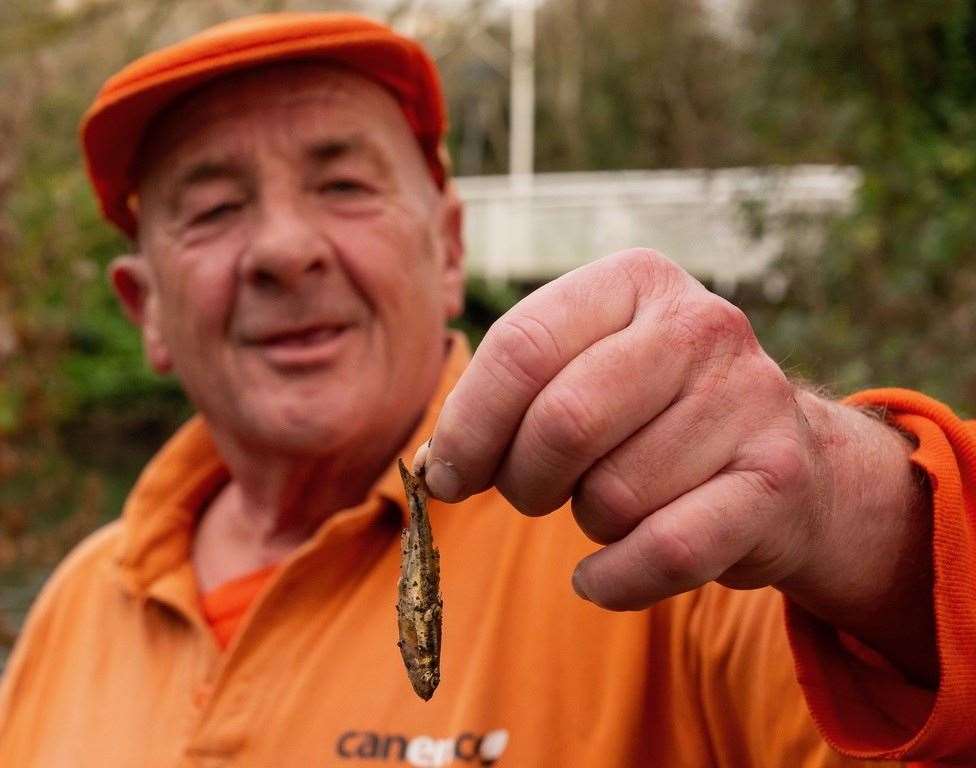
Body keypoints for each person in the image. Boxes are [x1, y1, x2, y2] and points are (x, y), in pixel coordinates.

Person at [0, 12, 973, 767]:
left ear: (450, 248)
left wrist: (854, 513)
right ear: (146, 309)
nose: (287, 251)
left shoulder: (677, 540)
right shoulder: (75, 608)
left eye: (343, 185)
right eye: (212, 209)